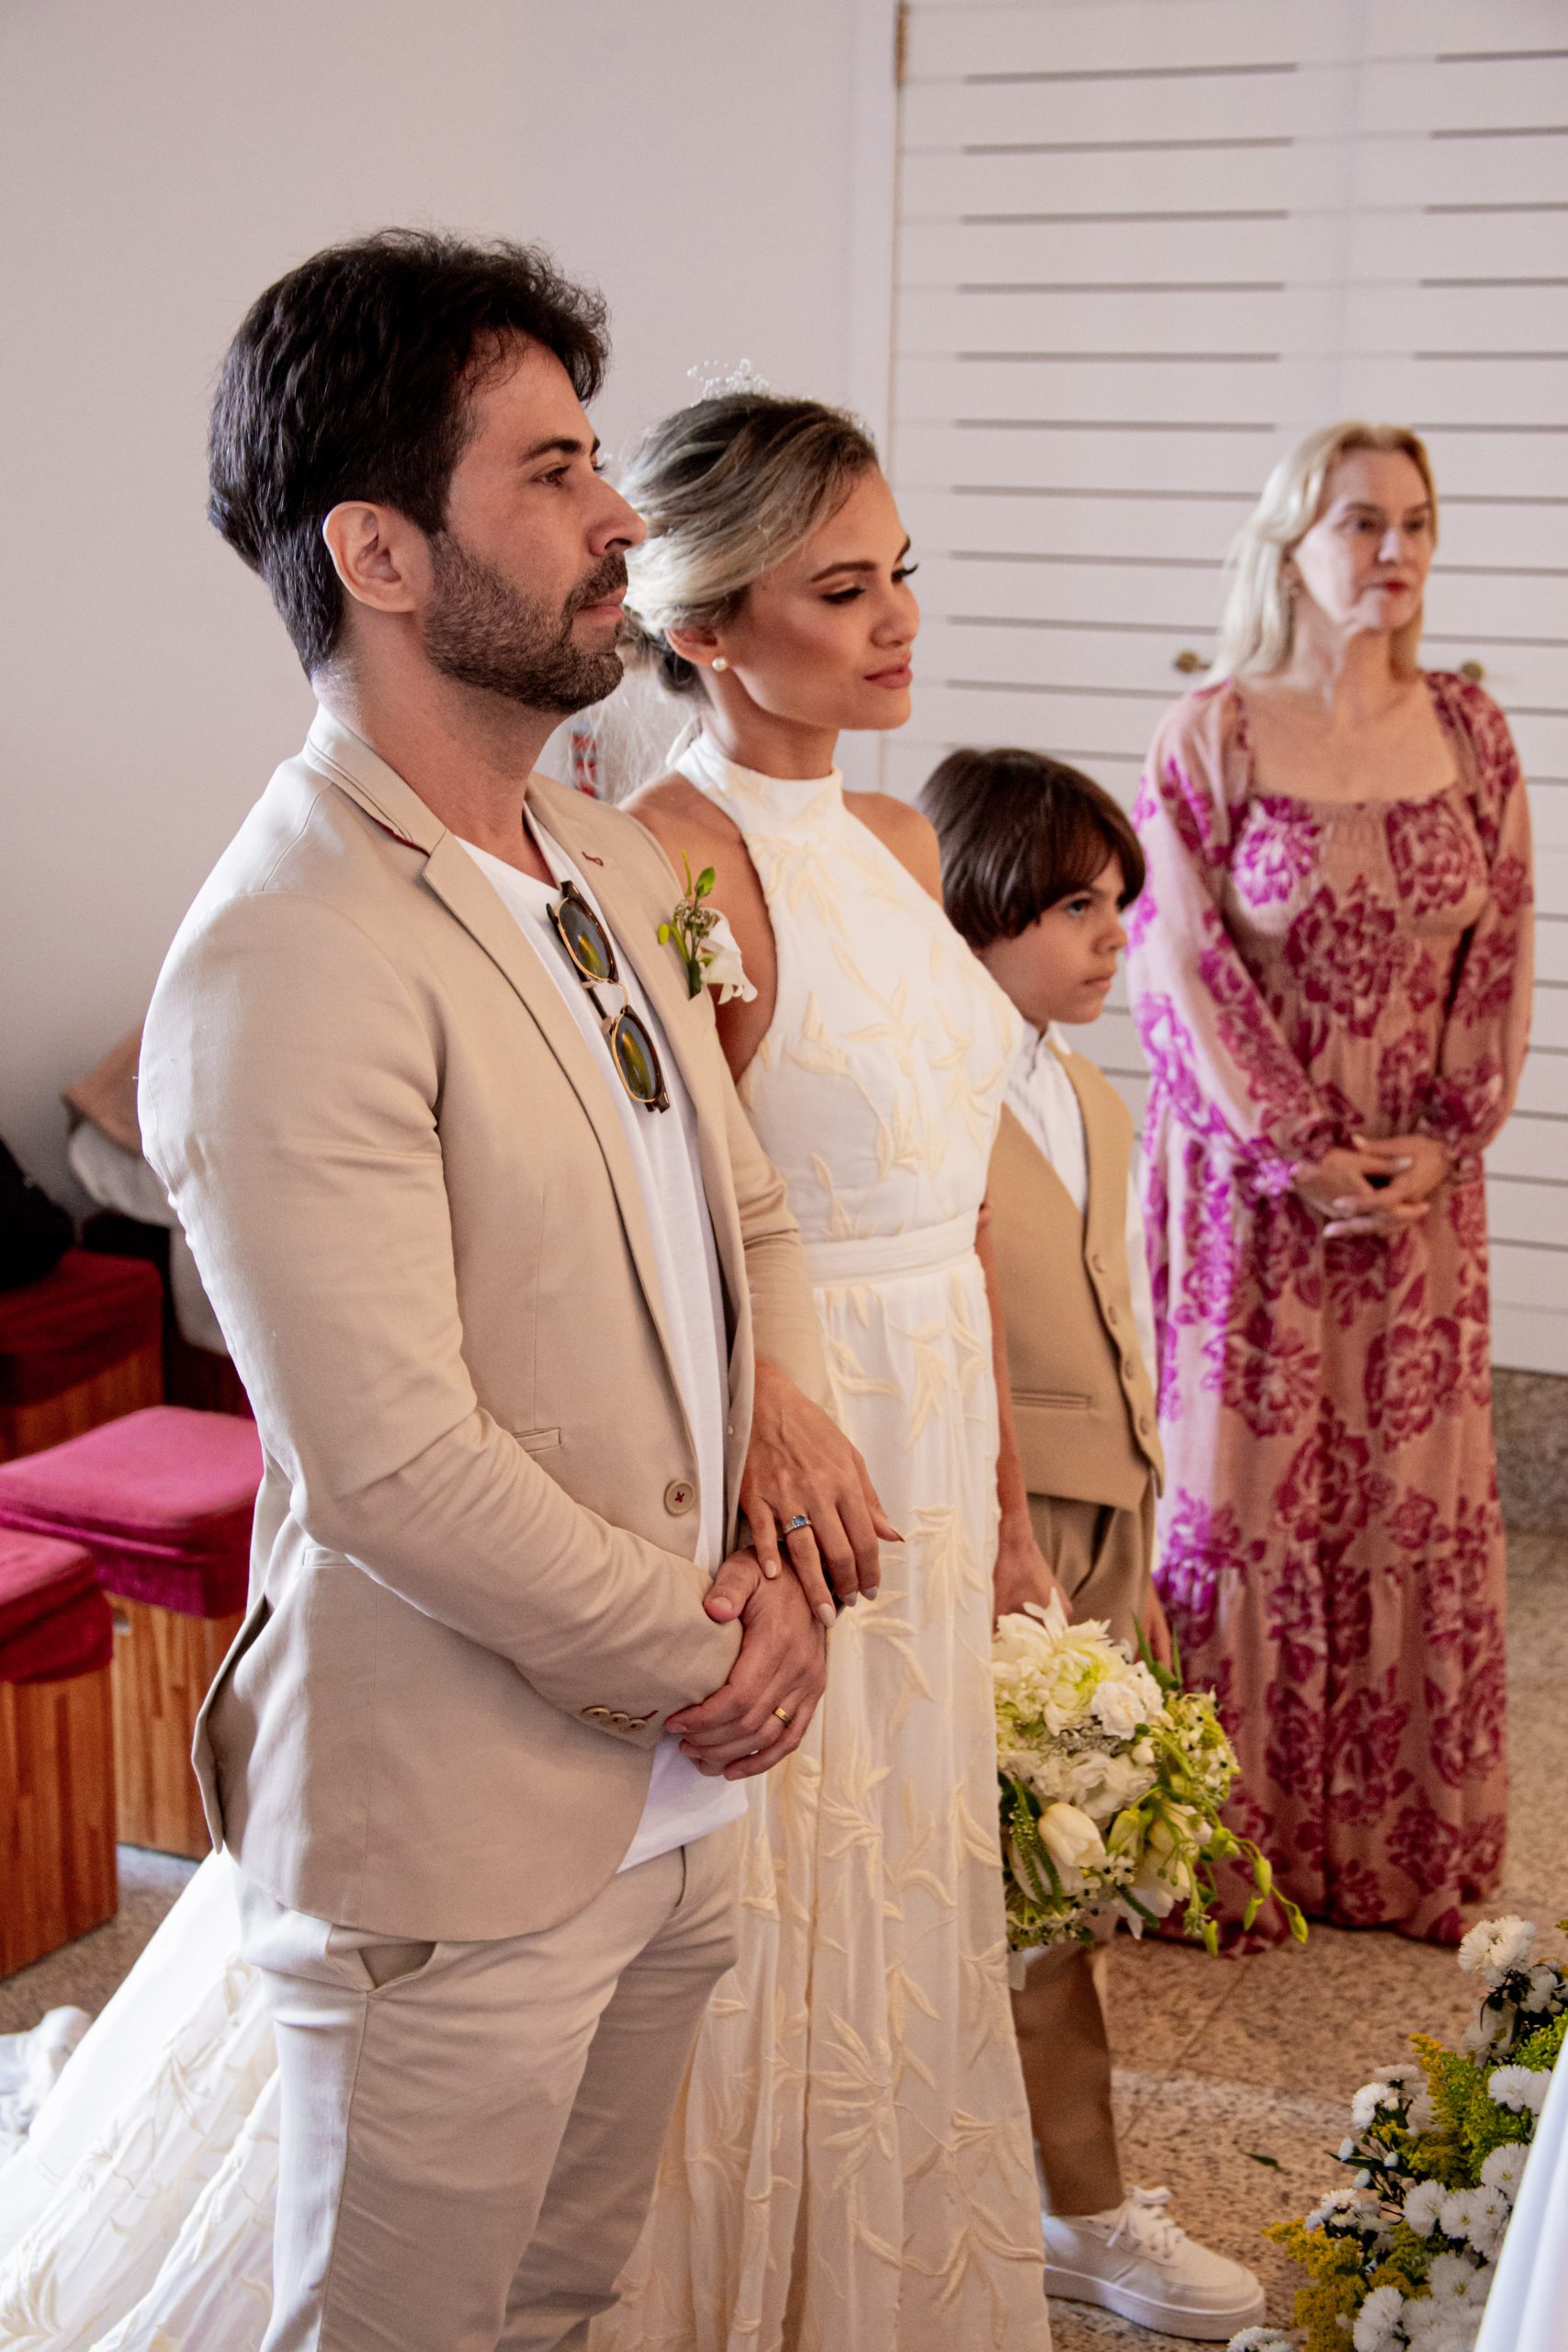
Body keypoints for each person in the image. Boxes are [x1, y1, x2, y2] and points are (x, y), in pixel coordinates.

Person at [0, 232, 890, 2352]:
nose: (618, 525)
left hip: (669, 1786)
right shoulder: (285, 953)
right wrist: (711, 1642)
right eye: (554, 473)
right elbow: (389, 1464)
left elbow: (735, 1206)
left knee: (564, 2303)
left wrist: (775, 1485)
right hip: (467, 1814)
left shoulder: (595, 862)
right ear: (379, 552)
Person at [592, 391, 1055, 2351]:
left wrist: (1018, 1506)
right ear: (704, 628)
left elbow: (952, 1198)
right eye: (840, 588)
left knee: (907, 1887)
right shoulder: (656, 864)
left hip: (940, 1402)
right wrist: (774, 1462)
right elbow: (673, 1233)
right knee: (786, 1894)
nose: (896, 625)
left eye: (901, 575)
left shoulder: (888, 826)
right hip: (806, 1436)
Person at [1126, 421, 1534, 1943]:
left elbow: (1500, 952)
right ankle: (1236, 1855)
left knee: (1410, 1508)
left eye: (1416, 522)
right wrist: (1300, 1151)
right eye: (1362, 522)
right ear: (1289, 540)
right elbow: (1178, 974)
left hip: (1422, 1210)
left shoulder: (1475, 736)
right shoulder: (1212, 734)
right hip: (1256, 1206)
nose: (1397, 550)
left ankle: (1398, 1852)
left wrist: (1446, 1133)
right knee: (1248, 1512)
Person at [924, 745, 1268, 2343]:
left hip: (1102, 1510)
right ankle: (1081, 2205)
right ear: (975, 904)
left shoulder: (1083, 1093)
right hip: (998, 1524)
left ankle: (1057, 2188)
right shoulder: (931, 1090)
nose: (1110, 935)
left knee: (1070, 1886)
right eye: (1072, 905)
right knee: (1016, 1892)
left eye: (1119, 902)